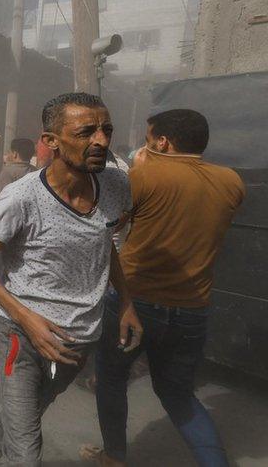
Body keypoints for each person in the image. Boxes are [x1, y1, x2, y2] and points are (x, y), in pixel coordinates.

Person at [0, 93, 143, 466]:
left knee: (29, 412)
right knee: (26, 452)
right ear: (51, 141)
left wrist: (126, 303)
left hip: (80, 338)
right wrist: (26, 318)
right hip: (22, 338)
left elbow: (105, 246)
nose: (101, 141)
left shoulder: (115, 186)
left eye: (106, 130)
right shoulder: (21, 198)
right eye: (85, 132)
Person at [86, 109, 243, 467]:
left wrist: (139, 169)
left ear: (162, 142)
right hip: (193, 308)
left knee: (111, 377)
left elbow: (110, 223)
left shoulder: (145, 175)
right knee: (178, 394)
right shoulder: (231, 181)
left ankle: (113, 456)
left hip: (134, 302)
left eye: (147, 139)